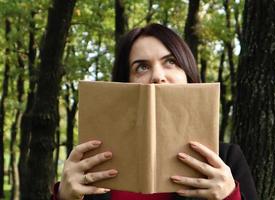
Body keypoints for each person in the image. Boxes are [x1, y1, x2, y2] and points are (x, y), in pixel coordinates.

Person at [52, 23, 257, 200]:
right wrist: (63, 197)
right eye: (141, 67)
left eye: (171, 61)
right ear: (125, 84)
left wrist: (230, 196)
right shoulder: (92, 166)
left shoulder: (226, 161)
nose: (158, 76)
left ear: (188, 74)